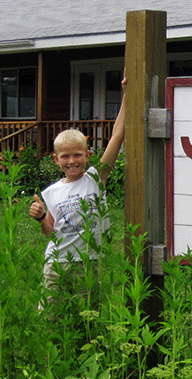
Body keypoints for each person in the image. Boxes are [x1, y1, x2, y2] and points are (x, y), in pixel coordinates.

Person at [28, 71, 126, 292]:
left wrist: (127, 94)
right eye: (65, 156)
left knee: (87, 321)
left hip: (89, 262)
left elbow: (117, 136)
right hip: (57, 264)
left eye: (78, 155)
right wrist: (42, 216)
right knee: (53, 320)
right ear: (56, 159)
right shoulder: (51, 193)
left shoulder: (95, 178)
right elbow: (51, 233)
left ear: (87, 155)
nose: (72, 161)